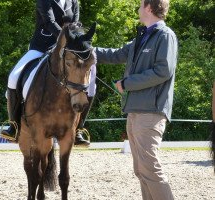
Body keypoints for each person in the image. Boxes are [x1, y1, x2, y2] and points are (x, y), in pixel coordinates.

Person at [95, 0, 178, 199]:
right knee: (141, 171)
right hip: (134, 112)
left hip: (151, 112)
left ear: (149, 8)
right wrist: (84, 49)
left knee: (150, 169)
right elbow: (115, 54)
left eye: (141, 5)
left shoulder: (165, 36)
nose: (138, 9)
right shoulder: (142, 37)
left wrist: (127, 83)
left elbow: (163, 71)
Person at [1, 0, 93, 146]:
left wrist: (76, 39)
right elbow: (49, 22)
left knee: (90, 79)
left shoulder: (73, 1)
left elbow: (75, 23)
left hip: (66, 49)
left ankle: (79, 129)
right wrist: (66, 38)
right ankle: (14, 124)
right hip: (41, 46)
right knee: (13, 77)